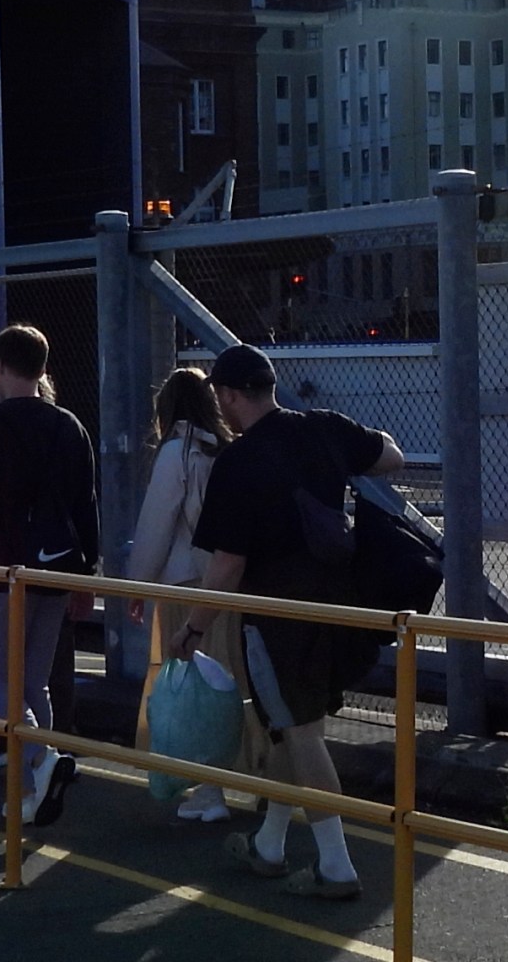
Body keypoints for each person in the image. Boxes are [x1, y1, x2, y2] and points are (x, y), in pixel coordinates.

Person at [176, 343, 403, 902]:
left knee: (299, 733)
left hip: (277, 615)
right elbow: (392, 455)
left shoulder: (240, 460)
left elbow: (228, 563)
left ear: (230, 396)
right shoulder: (323, 427)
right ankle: (271, 843)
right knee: (293, 725)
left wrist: (194, 628)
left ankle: (336, 863)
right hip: (339, 604)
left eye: (221, 398)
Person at [0, 324, 97, 823]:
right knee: (35, 683)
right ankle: (34, 791)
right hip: (53, 572)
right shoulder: (69, 426)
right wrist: (85, 577)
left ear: (1, 369)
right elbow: (85, 507)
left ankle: (43, 763)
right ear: (43, 368)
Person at [128, 366, 248, 824]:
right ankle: (240, 779)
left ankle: (208, 790)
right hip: (225, 583)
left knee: (194, 691)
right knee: (226, 682)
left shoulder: (176, 453)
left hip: (183, 583)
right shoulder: (224, 450)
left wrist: (137, 586)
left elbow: (156, 527)